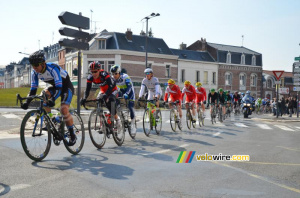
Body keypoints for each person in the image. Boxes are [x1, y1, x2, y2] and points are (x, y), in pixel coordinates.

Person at [21, 50, 77, 146]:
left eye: (36, 65)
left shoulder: (52, 68)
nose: (35, 68)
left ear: (43, 64)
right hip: (55, 86)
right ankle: (52, 121)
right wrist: (27, 102)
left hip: (65, 87)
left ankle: (72, 135)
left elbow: (59, 88)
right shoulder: (34, 73)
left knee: (64, 109)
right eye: (33, 66)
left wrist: (53, 99)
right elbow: (33, 90)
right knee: (43, 96)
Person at [80, 61, 121, 135]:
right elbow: (87, 89)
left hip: (112, 89)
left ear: (99, 70)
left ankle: (117, 120)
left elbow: (111, 85)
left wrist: (106, 94)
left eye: (95, 71)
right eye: (92, 72)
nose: (94, 73)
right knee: (98, 101)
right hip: (103, 90)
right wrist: (84, 98)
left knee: (110, 100)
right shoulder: (90, 77)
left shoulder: (104, 74)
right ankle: (103, 124)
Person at [110, 65, 136, 133]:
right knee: (115, 102)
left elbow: (129, 86)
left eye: (116, 73)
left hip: (129, 92)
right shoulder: (113, 78)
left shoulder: (125, 76)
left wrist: (127, 93)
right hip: (121, 91)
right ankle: (121, 118)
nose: (114, 75)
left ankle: (133, 124)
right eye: (113, 74)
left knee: (130, 107)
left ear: (119, 72)